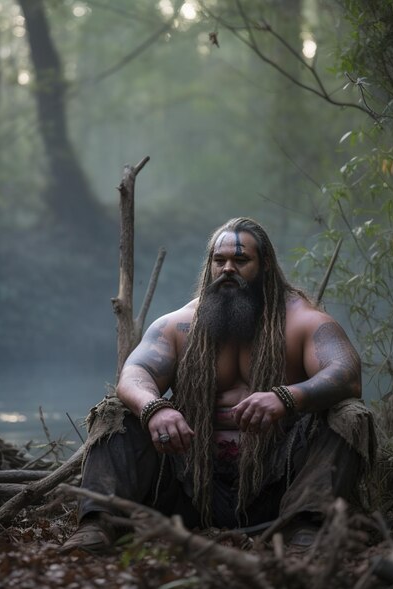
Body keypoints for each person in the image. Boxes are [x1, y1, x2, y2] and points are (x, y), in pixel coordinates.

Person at [61, 217, 375, 553]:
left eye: (241, 261)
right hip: (191, 485)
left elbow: (346, 373)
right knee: (116, 411)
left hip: (279, 487)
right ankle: (97, 524)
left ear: (265, 266)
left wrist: (287, 397)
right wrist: (155, 409)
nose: (228, 269)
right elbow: (135, 373)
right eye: (219, 260)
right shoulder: (180, 324)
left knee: (348, 415)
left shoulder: (302, 321)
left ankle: (308, 527)